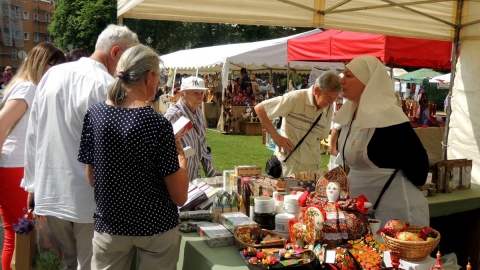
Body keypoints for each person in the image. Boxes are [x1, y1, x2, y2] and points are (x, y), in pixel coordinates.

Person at [23, 24, 138, 269]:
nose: (131, 69)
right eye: (129, 59)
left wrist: (32, 185)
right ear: (115, 53)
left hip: (52, 191)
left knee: (67, 264)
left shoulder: (53, 75)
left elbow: (33, 134)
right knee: (90, 264)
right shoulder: (107, 85)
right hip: (88, 199)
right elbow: (117, 148)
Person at [78, 44, 189, 270]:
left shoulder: (95, 115)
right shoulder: (157, 124)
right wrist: (182, 163)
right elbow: (179, 197)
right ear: (149, 77)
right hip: (156, 228)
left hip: (110, 226)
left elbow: (92, 178)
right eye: (158, 77)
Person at [334, 55, 429, 228]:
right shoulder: (350, 116)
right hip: (362, 214)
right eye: (343, 75)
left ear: (368, 82)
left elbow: (419, 171)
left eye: (349, 76)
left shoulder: (392, 120)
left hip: (397, 216)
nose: (342, 81)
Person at [0, 42, 65, 270]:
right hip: (16, 167)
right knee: (23, 233)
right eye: (56, 67)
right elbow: (1, 124)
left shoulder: (24, 86)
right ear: (45, 64)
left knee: (15, 234)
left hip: (13, 166)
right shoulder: (28, 88)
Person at [255, 71, 342, 177]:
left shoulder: (329, 107)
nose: (331, 102)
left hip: (313, 168)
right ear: (317, 90)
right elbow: (260, 109)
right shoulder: (296, 98)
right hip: (289, 168)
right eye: (329, 97)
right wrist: (277, 137)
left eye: (334, 99)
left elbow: (323, 135)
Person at [164, 76, 221, 182]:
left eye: (201, 93)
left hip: (195, 179)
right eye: (195, 93)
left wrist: (211, 171)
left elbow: (203, 146)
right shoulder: (172, 116)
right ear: (182, 94)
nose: (200, 97)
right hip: (177, 181)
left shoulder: (198, 113)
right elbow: (164, 154)